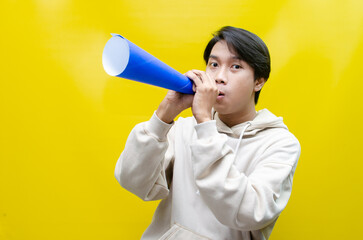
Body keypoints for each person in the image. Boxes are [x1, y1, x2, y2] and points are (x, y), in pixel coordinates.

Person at [114, 26, 301, 240]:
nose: (219, 77)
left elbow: (248, 213)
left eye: (236, 66)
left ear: (259, 81)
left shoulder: (280, 143)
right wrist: (163, 116)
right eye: (213, 64)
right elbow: (133, 182)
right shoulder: (184, 128)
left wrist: (204, 122)